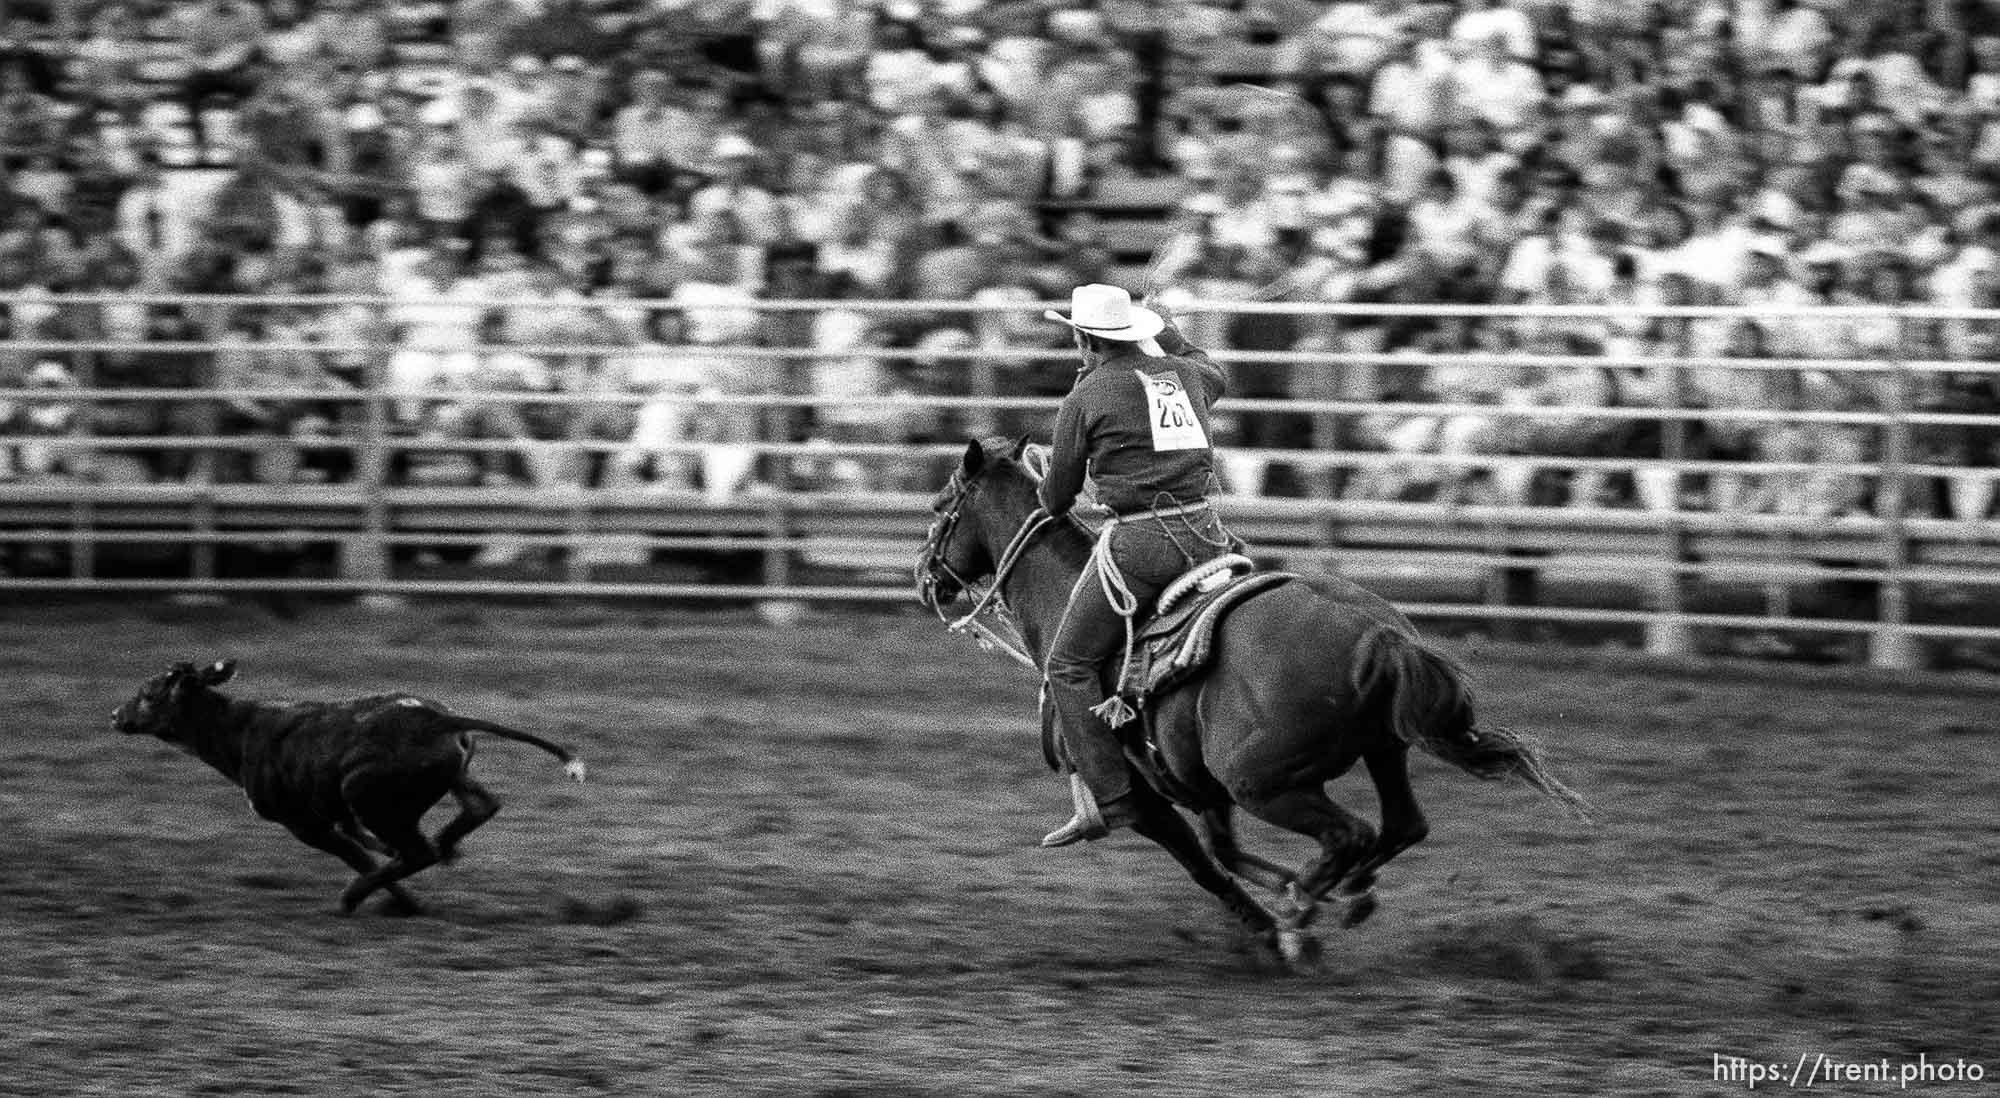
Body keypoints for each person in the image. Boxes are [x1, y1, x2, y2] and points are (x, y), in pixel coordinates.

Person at [1036, 284, 1234, 848]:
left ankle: (1110, 796)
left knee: (1069, 664)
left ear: (1082, 338)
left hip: (1142, 546)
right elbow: (1210, 368)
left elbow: (1056, 500)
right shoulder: (1182, 375)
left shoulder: (1087, 395)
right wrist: (1165, 329)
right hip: (1209, 536)